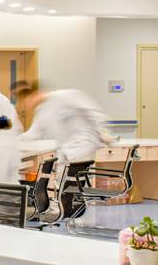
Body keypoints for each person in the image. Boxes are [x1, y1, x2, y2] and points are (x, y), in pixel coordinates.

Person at [17, 86, 112, 221]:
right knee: (62, 182)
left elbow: (92, 111)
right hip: (66, 149)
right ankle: (65, 212)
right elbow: (33, 133)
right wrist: (11, 141)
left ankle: (69, 212)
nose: (28, 105)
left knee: (71, 183)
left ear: (34, 94)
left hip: (83, 144)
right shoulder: (42, 110)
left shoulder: (66, 96)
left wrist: (102, 132)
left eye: (27, 101)